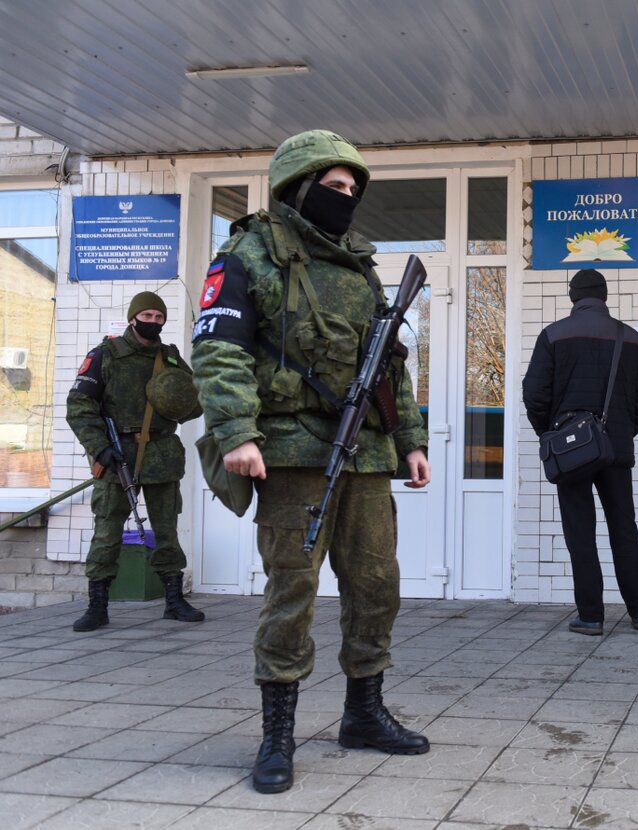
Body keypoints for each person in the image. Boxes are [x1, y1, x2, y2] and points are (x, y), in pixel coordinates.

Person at [191, 130, 432, 794]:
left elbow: (390, 367)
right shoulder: (248, 254)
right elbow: (219, 350)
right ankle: (277, 734)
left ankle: (364, 714)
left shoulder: (360, 267)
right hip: (292, 454)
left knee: (376, 585)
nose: (346, 197)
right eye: (334, 186)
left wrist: (410, 440)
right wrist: (236, 431)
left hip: (366, 455)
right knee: (291, 593)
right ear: (298, 188)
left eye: (353, 189)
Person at [522, 268, 638, 636]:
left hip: (571, 454)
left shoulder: (552, 335)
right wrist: (618, 433)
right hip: (616, 452)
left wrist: (552, 435)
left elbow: (534, 395)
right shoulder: (632, 339)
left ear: (573, 297)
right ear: (604, 296)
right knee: (624, 528)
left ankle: (591, 616)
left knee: (580, 533)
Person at [66, 291, 205, 631]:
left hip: (160, 453)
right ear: (132, 318)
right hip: (117, 454)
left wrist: (177, 399)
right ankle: (97, 605)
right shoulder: (105, 355)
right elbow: (79, 405)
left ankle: (174, 599)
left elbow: (194, 403)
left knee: (167, 530)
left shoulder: (169, 358)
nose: (152, 322)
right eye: (147, 316)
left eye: (159, 317)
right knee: (107, 530)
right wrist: (100, 448)